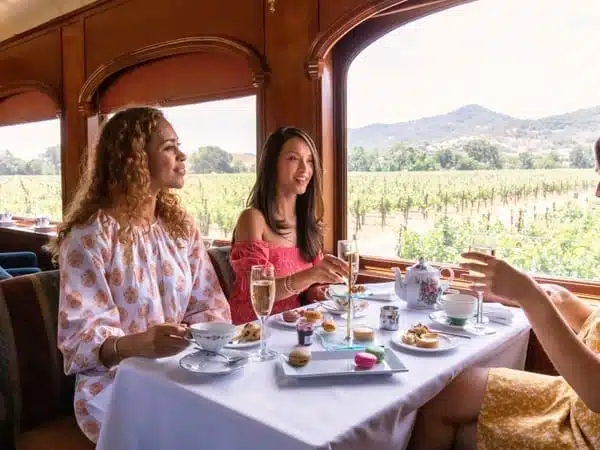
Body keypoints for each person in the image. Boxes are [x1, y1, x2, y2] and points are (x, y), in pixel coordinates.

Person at [52, 107, 231, 443]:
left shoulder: (181, 230)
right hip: (116, 385)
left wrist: (203, 341)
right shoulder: (89, 238)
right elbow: (81, 345)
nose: (182, 155)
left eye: (178, 145)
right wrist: (141, 344)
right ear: (134, 159)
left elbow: (208, 305)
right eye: (168, 147)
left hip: (182, 372)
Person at [408, 148, 600, 449]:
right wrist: (525, 294)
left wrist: (529, 294)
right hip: (573, 400)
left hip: (587, 431)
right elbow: (590, 318)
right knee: (445, 392)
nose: (597, 191)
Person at [228, 126, 348, 324]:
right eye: (293, 158)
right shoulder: (253, 219)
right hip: (255, 332)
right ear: (272, 164)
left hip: (295, 329)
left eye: (309, 161)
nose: (305, 169)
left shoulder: (307, 225)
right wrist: (311, 274)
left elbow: (309, 291)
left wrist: (321, 291)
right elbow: (259, 293)